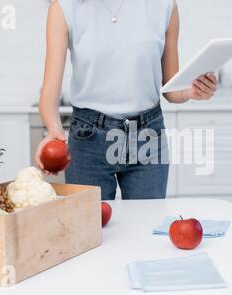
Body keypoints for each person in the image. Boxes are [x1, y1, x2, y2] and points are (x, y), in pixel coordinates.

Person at [35, 0, 217, 200]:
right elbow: (50, 93)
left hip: (148, 135)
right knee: (90, 226)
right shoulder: (64, 6)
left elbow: (171, 91)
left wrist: (191, 91)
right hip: (89, 139)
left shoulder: (164, 6)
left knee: (146, 225)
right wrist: (54, 129)